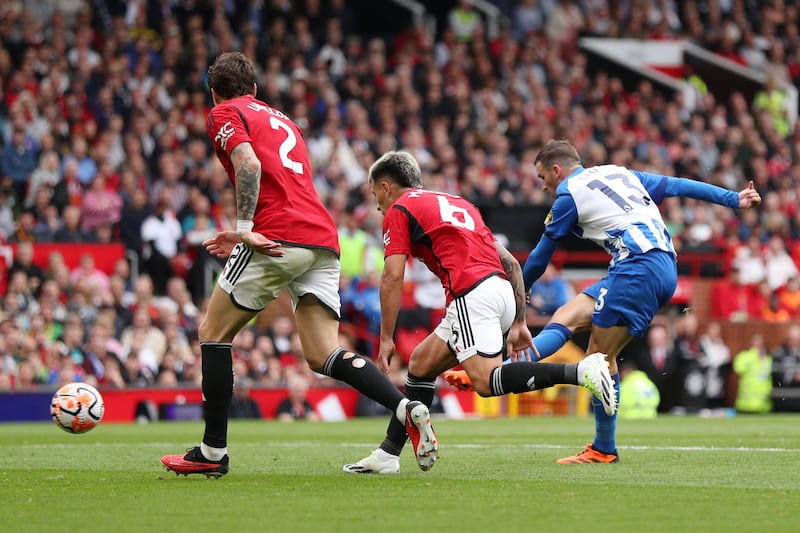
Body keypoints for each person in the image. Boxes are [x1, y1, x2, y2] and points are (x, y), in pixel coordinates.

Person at [160, 52, 437, 478]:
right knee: (324, 353)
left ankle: (212, 452)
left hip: (275, 235)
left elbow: (248, 163)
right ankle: (405, 405)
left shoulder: (223, 111)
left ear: (215, 92)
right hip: (322, 239)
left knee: (212, 333)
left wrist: (244, 227)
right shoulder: (284, 120)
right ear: (255, 88)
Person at [444, 139, 761, 463]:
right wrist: (732, 198)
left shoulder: (569, 194)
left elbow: (540, 255)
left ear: (557, 170)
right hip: (655, 264)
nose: (544, 186)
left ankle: (603, 448)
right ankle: (495, 372)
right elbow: (677, 185)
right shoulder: (618, 173)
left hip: (638, 266)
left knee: (598, 359)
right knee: (565, 317)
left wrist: (519, 289)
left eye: (542, 178)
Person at [343, 151, 616, 474]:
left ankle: (580, 372)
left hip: (470, 295)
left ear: (387, 187)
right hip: (500, 290)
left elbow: (391, 275)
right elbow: (512, 263)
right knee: (420, 364)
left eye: (376, 195)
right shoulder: (459, 203)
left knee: (486, 383)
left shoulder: (399, 208)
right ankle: (389, 455)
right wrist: (518, 321)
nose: (377, 205)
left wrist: (385, 338)